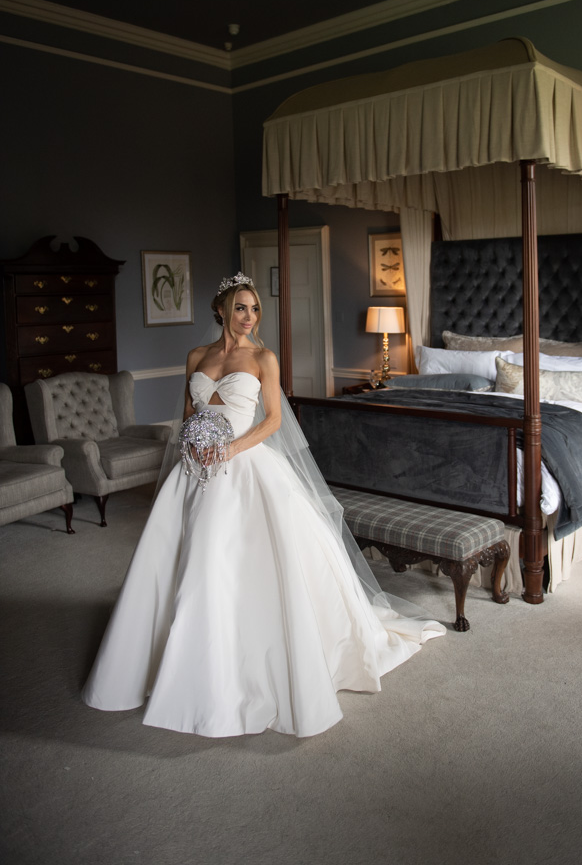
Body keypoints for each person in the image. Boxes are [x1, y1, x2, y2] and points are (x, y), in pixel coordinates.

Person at [82, 274, 445, 738]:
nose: (249, 316)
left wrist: (230, 451)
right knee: (177, 558)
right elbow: (190, 416)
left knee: (229, 560)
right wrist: (192, 445)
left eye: (254, 309)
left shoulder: (263, 358)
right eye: (241, 308)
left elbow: (273, 419)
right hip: (194, 472)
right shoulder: (196, 357)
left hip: (244, 467)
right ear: (221, 311)